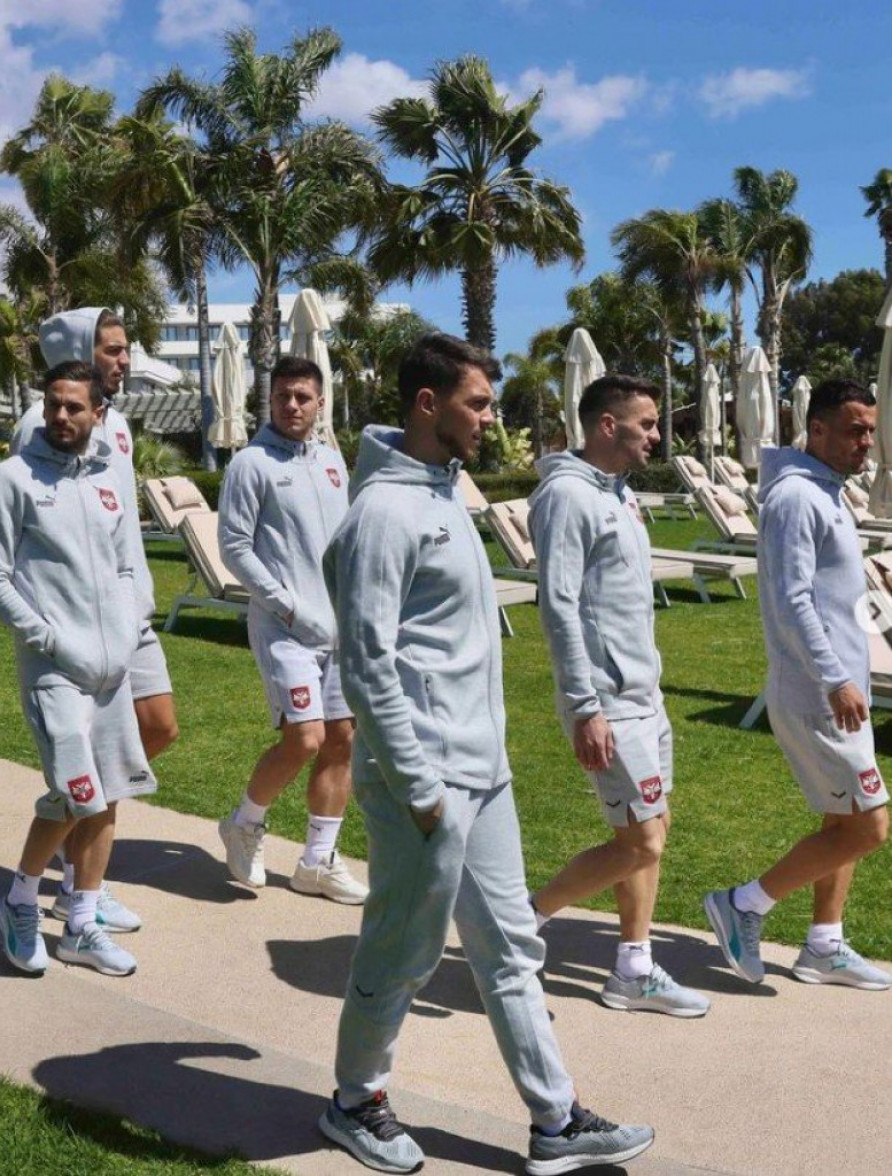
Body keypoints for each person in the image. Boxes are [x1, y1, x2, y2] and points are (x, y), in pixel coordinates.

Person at [317, 335, 654, 1175]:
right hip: (423, 784)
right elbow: (366, 664)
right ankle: (354, 1100)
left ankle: (555, 1120)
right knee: (403, 948)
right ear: (426, 404)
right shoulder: (382, 514)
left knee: (510, 947)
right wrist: (421, 788)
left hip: (482, 770)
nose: (490, 419)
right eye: (477, 403)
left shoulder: (443, 493)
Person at [527, 374, 709, 1018]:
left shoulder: (619, 492)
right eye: (648, 423)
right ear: (608, 424)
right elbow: (559, 607)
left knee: (652, 827)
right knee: (641, 841)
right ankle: (521, 923)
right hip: (607, 701)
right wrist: (586, 708)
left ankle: (633, 967)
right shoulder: (567, 496)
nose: (657, 435)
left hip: (643, 693)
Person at [705, 378, 890, 990]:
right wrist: (835, 678)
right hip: (818, 695)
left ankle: (823, 946)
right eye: (855, 430)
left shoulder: (827, 490)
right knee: (869, 826)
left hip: (840, 691)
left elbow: (829, 593)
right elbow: (792, 600)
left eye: (870, 430)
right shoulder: (795, 498)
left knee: (843, 823)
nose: (866, 442)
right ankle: (743, 904)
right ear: (816, 429)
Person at [11, 307, 178, 934]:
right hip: (74, 625)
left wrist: (136, 597)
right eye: (112, 349)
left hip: (128, 612)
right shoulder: (40, 427)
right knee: (95, 762)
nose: (124, 359)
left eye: (125, 349)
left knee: (157, 729)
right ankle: (80, 884)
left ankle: (76, 863)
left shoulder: (118, 423)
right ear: (80, 352)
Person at [0, 362, 155, 978]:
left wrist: (127, 628)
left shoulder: (108, 479)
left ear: (97, 413)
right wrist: (50, 638)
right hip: (54, 669)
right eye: (53, 404)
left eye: (74, 407)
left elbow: (123, 565)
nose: (61, 415)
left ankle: (82, 923)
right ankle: (19, 899)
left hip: (110, 668)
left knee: (106, 794)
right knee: (75, 793)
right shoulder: (11, 479)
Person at [216, 356, 365, 902]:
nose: (292, 405)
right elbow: (234, 546)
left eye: (303, 397)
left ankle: (316, 863)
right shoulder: (250, 464)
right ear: (270, 400)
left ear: (320, 402)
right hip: (285, 627)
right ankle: (244, 823)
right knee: (304, 738)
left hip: (338, 628)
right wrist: (286, 605)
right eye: (283, 396)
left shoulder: (331, 461)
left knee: (342, 739)